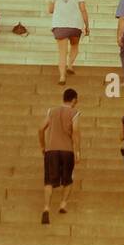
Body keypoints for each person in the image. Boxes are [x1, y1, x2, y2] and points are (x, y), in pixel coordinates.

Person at [38, 88, 81, 224]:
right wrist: (77, 150)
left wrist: (43, 145)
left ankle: (46, 207)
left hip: (51, 150)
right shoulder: (75, 113)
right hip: (67, 150)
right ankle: (63, 204)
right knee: (68, 179)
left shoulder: (52, 111)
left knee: (49, 181)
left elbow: (40, 128)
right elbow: (75, 132)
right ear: (73, 100)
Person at [47, 0, 89, 84]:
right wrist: (87, 26)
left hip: (60, 25)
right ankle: (70, 65)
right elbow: (83, 9)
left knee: (62, 53)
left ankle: (62, 77)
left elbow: (50, 10)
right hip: (75, 25)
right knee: (74, 45)